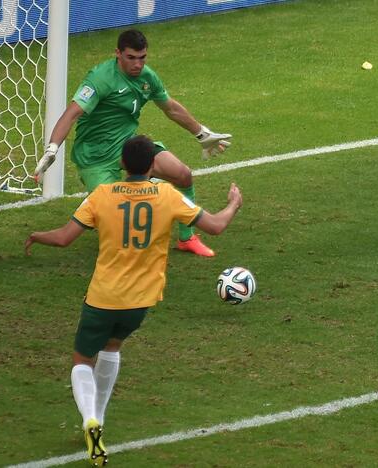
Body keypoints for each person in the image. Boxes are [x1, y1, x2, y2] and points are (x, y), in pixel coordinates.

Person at [25, 135, 243, 466]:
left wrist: (38, 236)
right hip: (140, 301)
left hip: (103, 296)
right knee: (112, 348)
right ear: (153, 165)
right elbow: (215, 226)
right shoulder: (168, 196)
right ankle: (99, 418)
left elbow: (64, 238)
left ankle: (90, 420)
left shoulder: (102, 196)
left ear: (122, 164)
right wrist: (233, 204)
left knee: (82, 360)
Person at [33, 28, 231, 257]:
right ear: (118, 53)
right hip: (95, 156)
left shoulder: (147, 77)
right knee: (113, 214)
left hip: (129, 147)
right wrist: (52, 148)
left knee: (182, 174)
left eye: (142, 58)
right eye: (131, 58)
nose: (138, 64)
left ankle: (187, 238)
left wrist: (202, 134)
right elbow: (71, 114)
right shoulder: (100, 79)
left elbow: (171, 108)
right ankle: (141, 190)